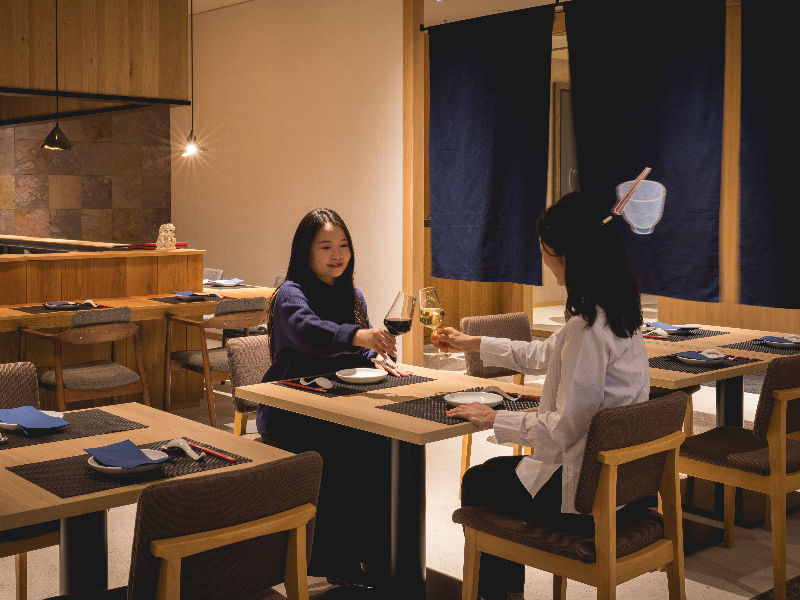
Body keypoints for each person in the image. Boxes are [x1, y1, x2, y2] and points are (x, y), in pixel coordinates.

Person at [432, 192, 650, 600]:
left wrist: (494, 418)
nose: (544, 260)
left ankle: (499, 596)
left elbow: (565, 428)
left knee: (479, 481)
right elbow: (544, 354)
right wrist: (472, 342)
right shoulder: (618, 311)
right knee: (493, 474)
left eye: (547, 251)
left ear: (570, 257)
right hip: (627, 490)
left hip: (588, 500)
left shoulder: (587, 328)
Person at [256, 207, 410, 588]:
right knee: (346, 450)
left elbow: (359, 350)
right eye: (325, 247)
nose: (336, 254)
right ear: (305, 251)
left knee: (390, 445)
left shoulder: (352, 296)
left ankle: (380, 557)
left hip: (340, 404)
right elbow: (309, 332)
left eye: (343, 245)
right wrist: (360, 337)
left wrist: (375, 356)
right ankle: (336, 561)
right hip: (290, 408)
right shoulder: (290, 295)